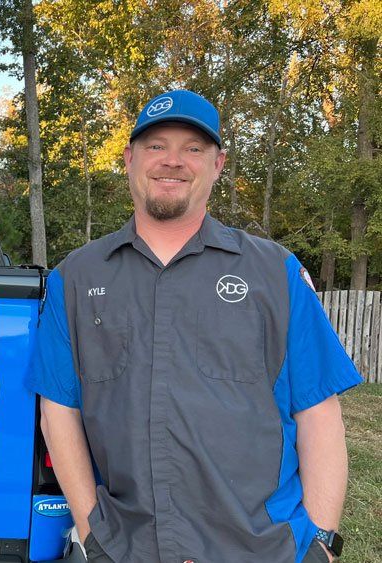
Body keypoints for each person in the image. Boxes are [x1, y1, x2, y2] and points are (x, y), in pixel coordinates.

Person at [27, 89, 361, 563]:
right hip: (128, 548)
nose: (173, 161)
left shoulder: (275, 273)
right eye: (156, 145)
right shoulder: (76, 279)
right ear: (129, 159)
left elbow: (319, 413)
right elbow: (58, 410)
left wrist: (322, 543)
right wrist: (93, 533)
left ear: (218, 164)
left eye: (194, 148)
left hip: (263, 550)